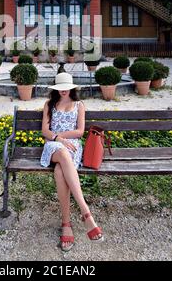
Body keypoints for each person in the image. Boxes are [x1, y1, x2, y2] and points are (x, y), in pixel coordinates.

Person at [40, 72, 103, 252]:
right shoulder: (49, 104)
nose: (64, 91)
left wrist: (64, 138)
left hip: (73, 147)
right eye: (60, 88)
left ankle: (66, 223)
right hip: (53, 145)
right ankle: (86, 213)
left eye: (67, 88)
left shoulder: (79, 105)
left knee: (60, 171)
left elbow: (80, 131)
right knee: (61, 153)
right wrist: (58, 138)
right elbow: (45, 130)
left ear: (72, 88)